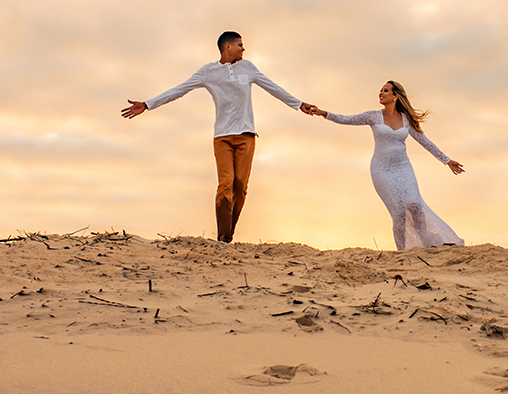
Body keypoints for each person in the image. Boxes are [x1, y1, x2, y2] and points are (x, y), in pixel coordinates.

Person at [122, 31, 315, 243]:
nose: (243, 48)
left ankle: (228, 235)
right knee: (226, 183)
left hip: (246, 136)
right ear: (228, 47)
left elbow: (273, 87)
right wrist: (148, 104)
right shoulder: (208, 72)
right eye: (240, 44)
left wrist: (298, 104)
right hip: (222, 137)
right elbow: (180, 89)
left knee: (240, 186)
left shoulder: (248, 68)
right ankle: (223, 238)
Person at [310, 81, 464, 250]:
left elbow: (425, 142)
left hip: (403, 167)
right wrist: (322, 113)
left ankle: (425, 242)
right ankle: (402, 252)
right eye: (380, 91)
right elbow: (346, 119)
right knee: (398, 214)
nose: (381, 93)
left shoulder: (407, 120)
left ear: (396, 96)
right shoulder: (373, 116)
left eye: (385, 90)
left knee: (415, 204)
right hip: (381, 170)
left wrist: (447, 160)